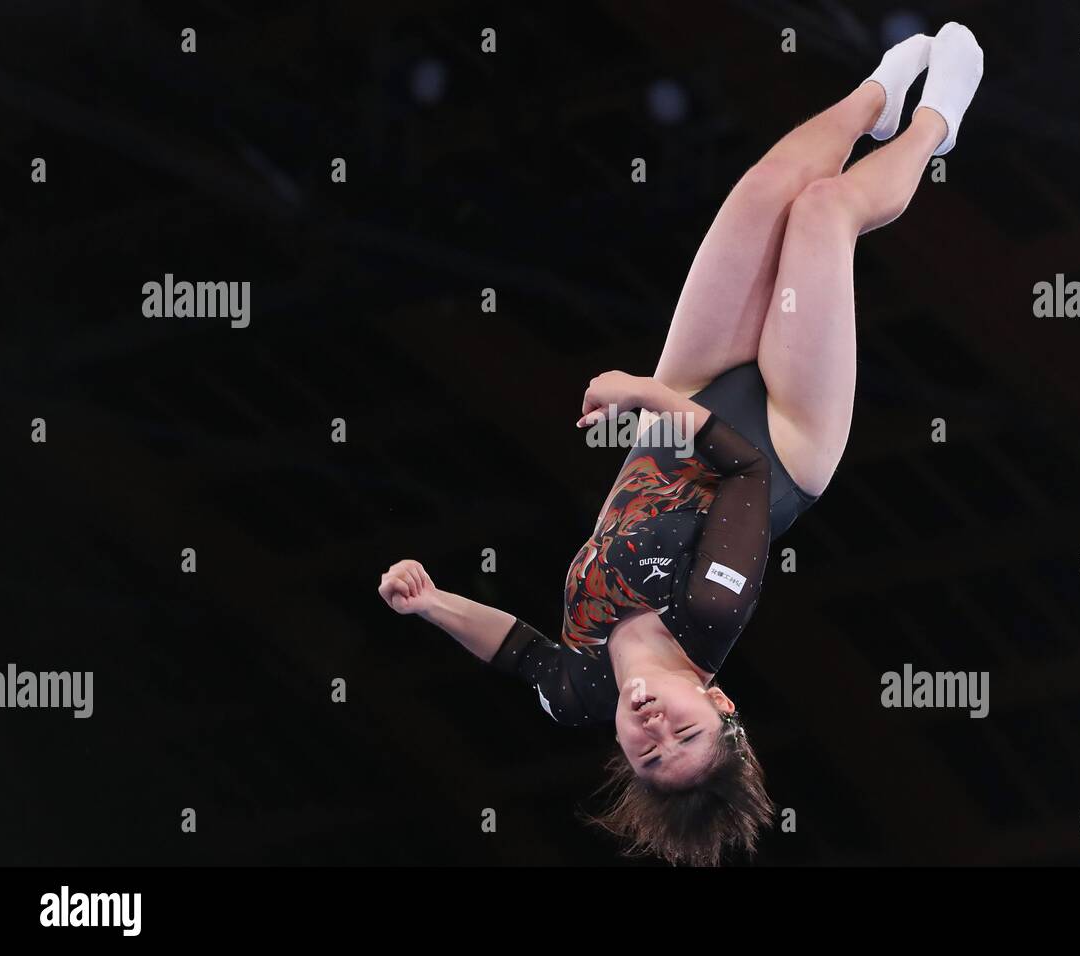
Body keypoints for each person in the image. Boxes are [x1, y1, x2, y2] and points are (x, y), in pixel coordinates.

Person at [379, 22, 984, 865]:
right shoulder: (711, 608)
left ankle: (874, 97)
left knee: (766, 184)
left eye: (648, 755)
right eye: (685, 734)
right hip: (782, 438)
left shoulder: (580, 693)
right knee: (821, 212)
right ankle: (936, 125)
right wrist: (640, 395)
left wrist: (431, 602)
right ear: (721, 702)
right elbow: (739, 466)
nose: (654, 731)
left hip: (686, 398)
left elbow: (517, 651)